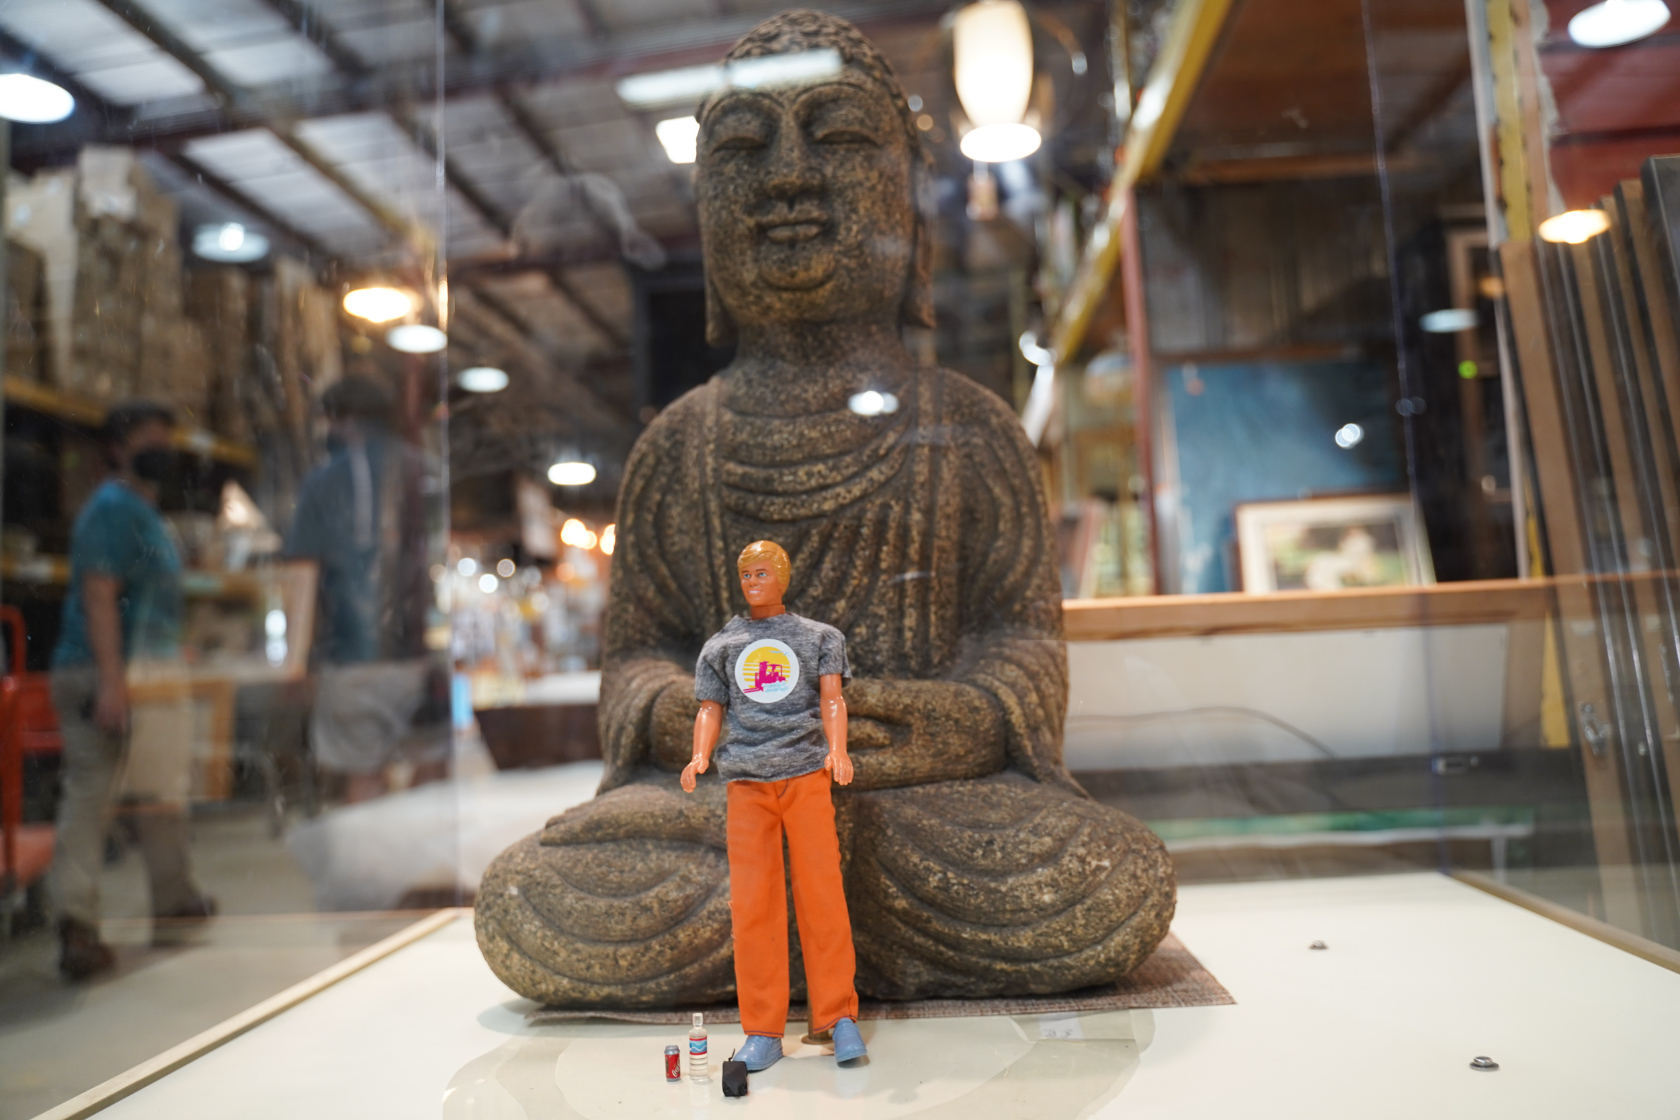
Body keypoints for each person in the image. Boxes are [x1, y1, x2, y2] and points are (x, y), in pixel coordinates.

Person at [682, 540, 865, 1069]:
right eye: (746, 574)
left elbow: (833, 699)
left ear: (783, 576)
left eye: (762, 572)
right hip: (746, 782)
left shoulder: (819, 637)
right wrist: (699, 756)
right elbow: (709, 708)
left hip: (806, 773)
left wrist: (838, 750)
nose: (753, 582)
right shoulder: (723, 645)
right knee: (753, 905)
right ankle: (762, 1028)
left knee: (822, 893)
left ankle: (837, 1017)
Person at [50, 400, 215, 981]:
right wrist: (111, 682)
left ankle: (175, 898)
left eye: (165, 439)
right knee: (92, 794)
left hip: (145, 673)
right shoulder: (111, 508)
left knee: (160, 789)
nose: (160, 449)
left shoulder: (145, 511)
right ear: (117, 448)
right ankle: (76, 925)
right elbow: (99, 594)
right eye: (147, 439)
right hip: (101, 672)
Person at [284, 375, 443, 803]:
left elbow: (302, 577)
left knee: (363, 775)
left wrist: (295, 663)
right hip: (419, 655)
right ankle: (417, 843)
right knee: (430, 766)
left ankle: (374, 846)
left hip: (349, 659)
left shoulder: (322, 481)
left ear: (340, 419)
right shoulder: (424, 469)